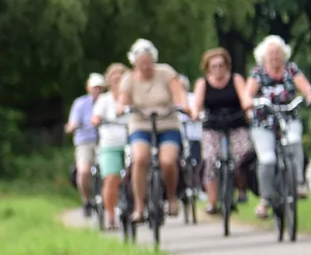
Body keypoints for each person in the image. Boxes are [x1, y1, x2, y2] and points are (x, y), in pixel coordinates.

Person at [248, 35, 311, 221]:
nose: (275, 57)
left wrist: (310, 96)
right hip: (264, 122)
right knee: (267, 158)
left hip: (288, 116)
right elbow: (248, 94)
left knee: (294, 142)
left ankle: (299, 183)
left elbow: (305, 87)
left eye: (278, 53)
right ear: (264, 56)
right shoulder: (258, 73)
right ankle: (265, 199)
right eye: (271, 54)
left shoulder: (291, 69)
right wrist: (249, 103)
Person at [120, 40, 191, 221]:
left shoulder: (166, 72)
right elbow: (123, 99)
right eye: (141, 63)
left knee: (168, 161)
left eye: (148, 62)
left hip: (166, 122)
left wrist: (183, 104)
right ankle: (139, 206)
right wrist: (121, 108)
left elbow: (179, 92)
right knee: (140, 158)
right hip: (140, 124)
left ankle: (172, 197)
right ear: (135, 63)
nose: (145, 66)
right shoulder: (129, 79)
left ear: (154, 60)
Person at [188, 48, 253, 216]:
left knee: (242, 155)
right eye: (214, 66)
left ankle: (241, 190)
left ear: (227, 66)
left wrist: (248, 108)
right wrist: (195, 113)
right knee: (210, 159)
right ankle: (212, 201)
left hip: (235, 121)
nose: (218, 69)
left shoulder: (236, 79)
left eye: (221, 66)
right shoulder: (203, 83)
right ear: (208, 68)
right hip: (213, 124)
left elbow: (244, 97)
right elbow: (197, 103)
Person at [94, 63, 131, 222]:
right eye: (114, 79)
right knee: (110, 178)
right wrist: (96, 119)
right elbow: (95, 116)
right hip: (110, 143)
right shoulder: (103, 100)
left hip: (130, 140)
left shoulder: (132, 97)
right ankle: (110, 216)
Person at [65, 73, 105, 208]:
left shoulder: (107, 101)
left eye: (100, 88)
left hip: (104, 139)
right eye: (94, 88)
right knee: (84, 171)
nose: (97, 91)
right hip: (85, 140)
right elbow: (73, 121)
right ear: (88, 88)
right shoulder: (80, 104)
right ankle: (87, 200)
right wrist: (72, 126)